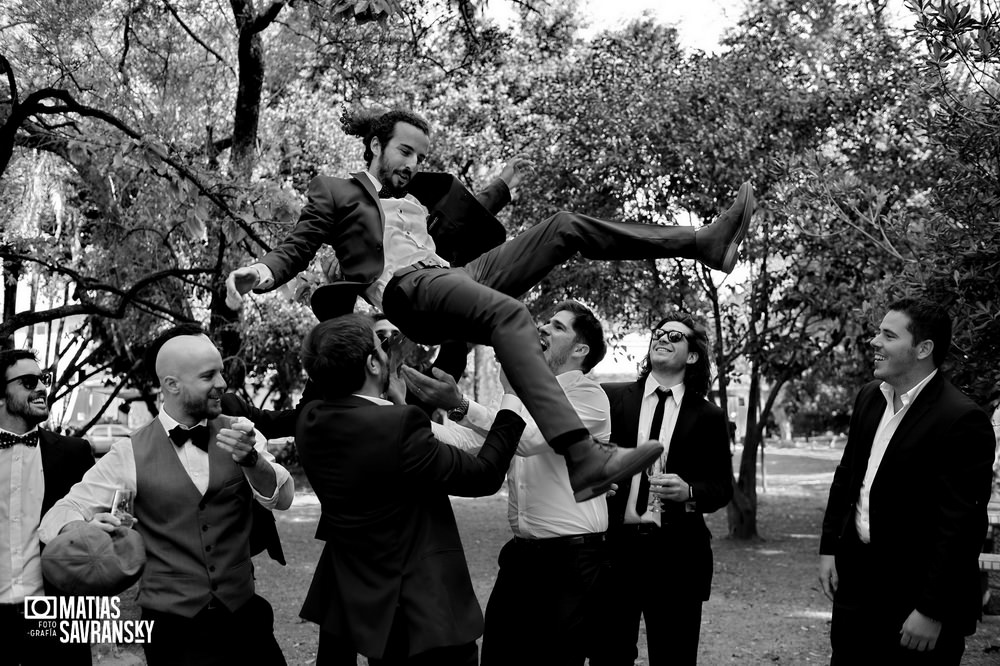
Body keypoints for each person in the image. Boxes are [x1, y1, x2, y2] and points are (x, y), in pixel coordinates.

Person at [226, 108, 755, 502]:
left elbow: (460, 221)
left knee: (564, 228)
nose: (412, 164)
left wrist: (501, 185)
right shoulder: (337, 192)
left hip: (451, 275)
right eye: (404, 151)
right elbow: (304, 239)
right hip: (407, 291)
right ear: (375, 145)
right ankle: (582, 456)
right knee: (512, 315)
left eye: (420, 156)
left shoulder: (415, 198)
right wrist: (265, 271)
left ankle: (701, 242)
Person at [39, 327, 294, 666]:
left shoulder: (241, 431)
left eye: (220, 371)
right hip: (173, 628)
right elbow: (61, 511)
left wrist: (252, 460)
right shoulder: (128, 452)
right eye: (208, 376)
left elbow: (284, 497)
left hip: (244, 616)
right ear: (172, 385)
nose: (222, 383)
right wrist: (79, 530)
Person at [295, 313, 526, 665]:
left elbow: (389, 466)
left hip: (375, 605)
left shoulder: (310, 420)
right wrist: (512, 397)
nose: (388, 353)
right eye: (381, 347)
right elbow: (484, 475)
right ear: (373, 363)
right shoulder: (399, 425)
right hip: (423, 610)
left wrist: (398, 407)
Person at [403, 299, 615, 665]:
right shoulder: (523, 395)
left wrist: (499, 397)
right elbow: (475, 444)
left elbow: (529, 439)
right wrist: (401, 417)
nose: (543, 329)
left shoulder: (588, 396)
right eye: (545, 322)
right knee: (498, 656)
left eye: (558, 327)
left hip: (572, 560)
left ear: (581, 349)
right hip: (521, 557)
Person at [818, 298, 995, 665]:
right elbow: (848, 476)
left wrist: (931, 610)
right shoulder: (870, 396)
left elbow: (961, 526)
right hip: (857, 587)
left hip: (917, 601)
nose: (873, 342)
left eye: (887, 335)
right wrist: (829, 549)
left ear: (923, 349)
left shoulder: (961, 419)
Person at [595, 313, 734, 666]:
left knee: (674, 658)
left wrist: (689, 490)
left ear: (692, 356)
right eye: (660, 333)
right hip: (613, 552)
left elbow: (721, 488)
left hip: (677, 558)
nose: (663, 338)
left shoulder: (708, 417)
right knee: (607, 656)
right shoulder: (609, 399)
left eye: (676, 336)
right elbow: (584, 459)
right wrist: (600, 482)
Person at [0, 350, 94, 666]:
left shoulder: (74, 454)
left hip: (54, 617)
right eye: (28, 382)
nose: (41, 387)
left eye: (43, 379)